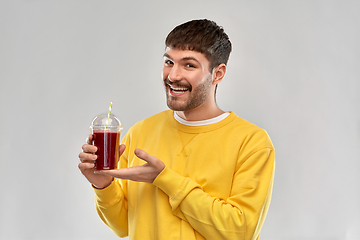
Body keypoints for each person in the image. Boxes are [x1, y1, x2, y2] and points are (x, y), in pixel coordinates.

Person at [79, 19, 275, 240]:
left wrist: (165, 179)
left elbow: (240, 232)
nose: (173, 76)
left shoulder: (251, 142)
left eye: (189, 65)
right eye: (169, 62)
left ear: (218, 74)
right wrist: (103, 185)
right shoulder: (140, 132)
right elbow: (124, 226)